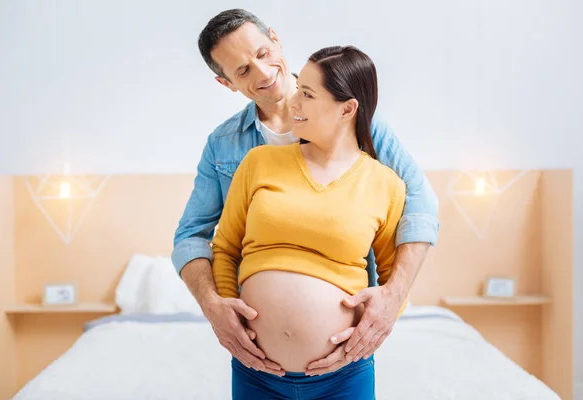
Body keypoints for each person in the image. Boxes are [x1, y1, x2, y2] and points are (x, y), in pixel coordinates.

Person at [172, 8, 439, 378]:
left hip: (343, 354)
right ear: (226, 83)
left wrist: (393, 299)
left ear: (276, 39)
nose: (263, 73)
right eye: (243, 70)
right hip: (258, 366)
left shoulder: (355, 120)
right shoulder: (226, 147)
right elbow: (192, 236)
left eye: (263, 53)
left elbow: (420, 203)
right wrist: (212, 305)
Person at [213, 44, 407, 399]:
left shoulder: (385, 185)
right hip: (256, 371)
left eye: (307, 94)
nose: (293, 103)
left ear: (347, 109)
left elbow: (396, 281)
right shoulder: (259, 163)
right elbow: (224, 248)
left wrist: (361, 339)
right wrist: (230, 314)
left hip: (343, 375)